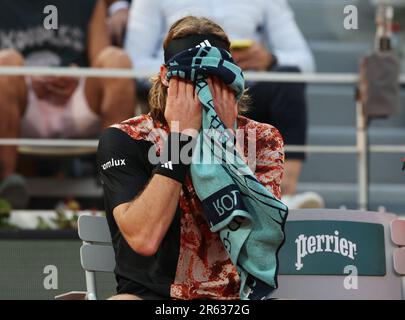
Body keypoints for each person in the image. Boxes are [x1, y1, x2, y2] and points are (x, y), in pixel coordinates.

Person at [97, 16, 286, 300]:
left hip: (235, 301)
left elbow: (259, 238)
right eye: (192, 78)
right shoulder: (126, 137)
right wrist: (180, 141)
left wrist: (224, 146)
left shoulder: (263, 138)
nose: (203, 92)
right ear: (165, 76)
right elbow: (143, 238)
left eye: (214, 80)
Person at [125, 0, 325, 209]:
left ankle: (285, 195)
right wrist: (191, 64)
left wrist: (269, 59)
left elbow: (305, 62)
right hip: (181, 92)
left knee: (289, 79)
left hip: (243, 92)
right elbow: (133, 62)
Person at [0, 0, 136, 208]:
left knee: (116, 61)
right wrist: (27, 76)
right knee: (6, 62)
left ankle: (120, 186)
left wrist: (76, 74)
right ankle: (6, 186)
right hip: (20, 102)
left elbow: (101, 57)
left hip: (78, 100)